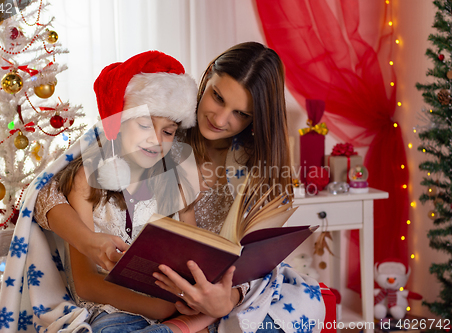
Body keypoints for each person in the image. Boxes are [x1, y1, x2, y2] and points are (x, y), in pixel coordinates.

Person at [35, 42, 310, 333]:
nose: (219, 119)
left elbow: (254, 263)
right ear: (206, 80)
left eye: (241, 113)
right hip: (161, 301)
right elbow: (49, 190)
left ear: (257, 119)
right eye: (217, 97)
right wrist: (86, 239)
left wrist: (225, 300)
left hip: (221, 294)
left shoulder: (257, 170)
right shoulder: (165, 112)